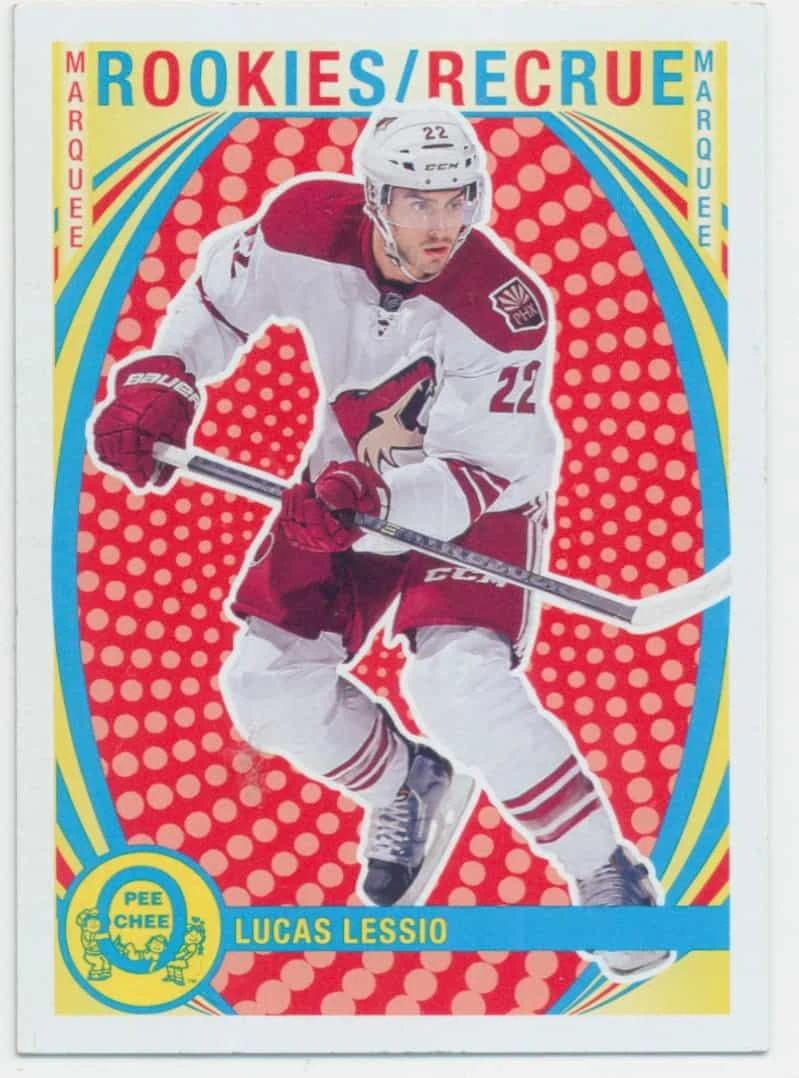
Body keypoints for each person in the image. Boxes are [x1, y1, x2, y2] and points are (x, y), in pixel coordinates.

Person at [89, 100, 672, 982]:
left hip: (477, 499)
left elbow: (480, 469)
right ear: (374, 197)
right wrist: (165, 379)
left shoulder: (503, 308)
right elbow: (214, 301)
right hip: (342, 483)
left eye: (456, 199)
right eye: (417, 201)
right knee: (264, 687)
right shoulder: (302, 223)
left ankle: (603, 869)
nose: (441, 224)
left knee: (455, 683)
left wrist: (377, 497)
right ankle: (405, 783)